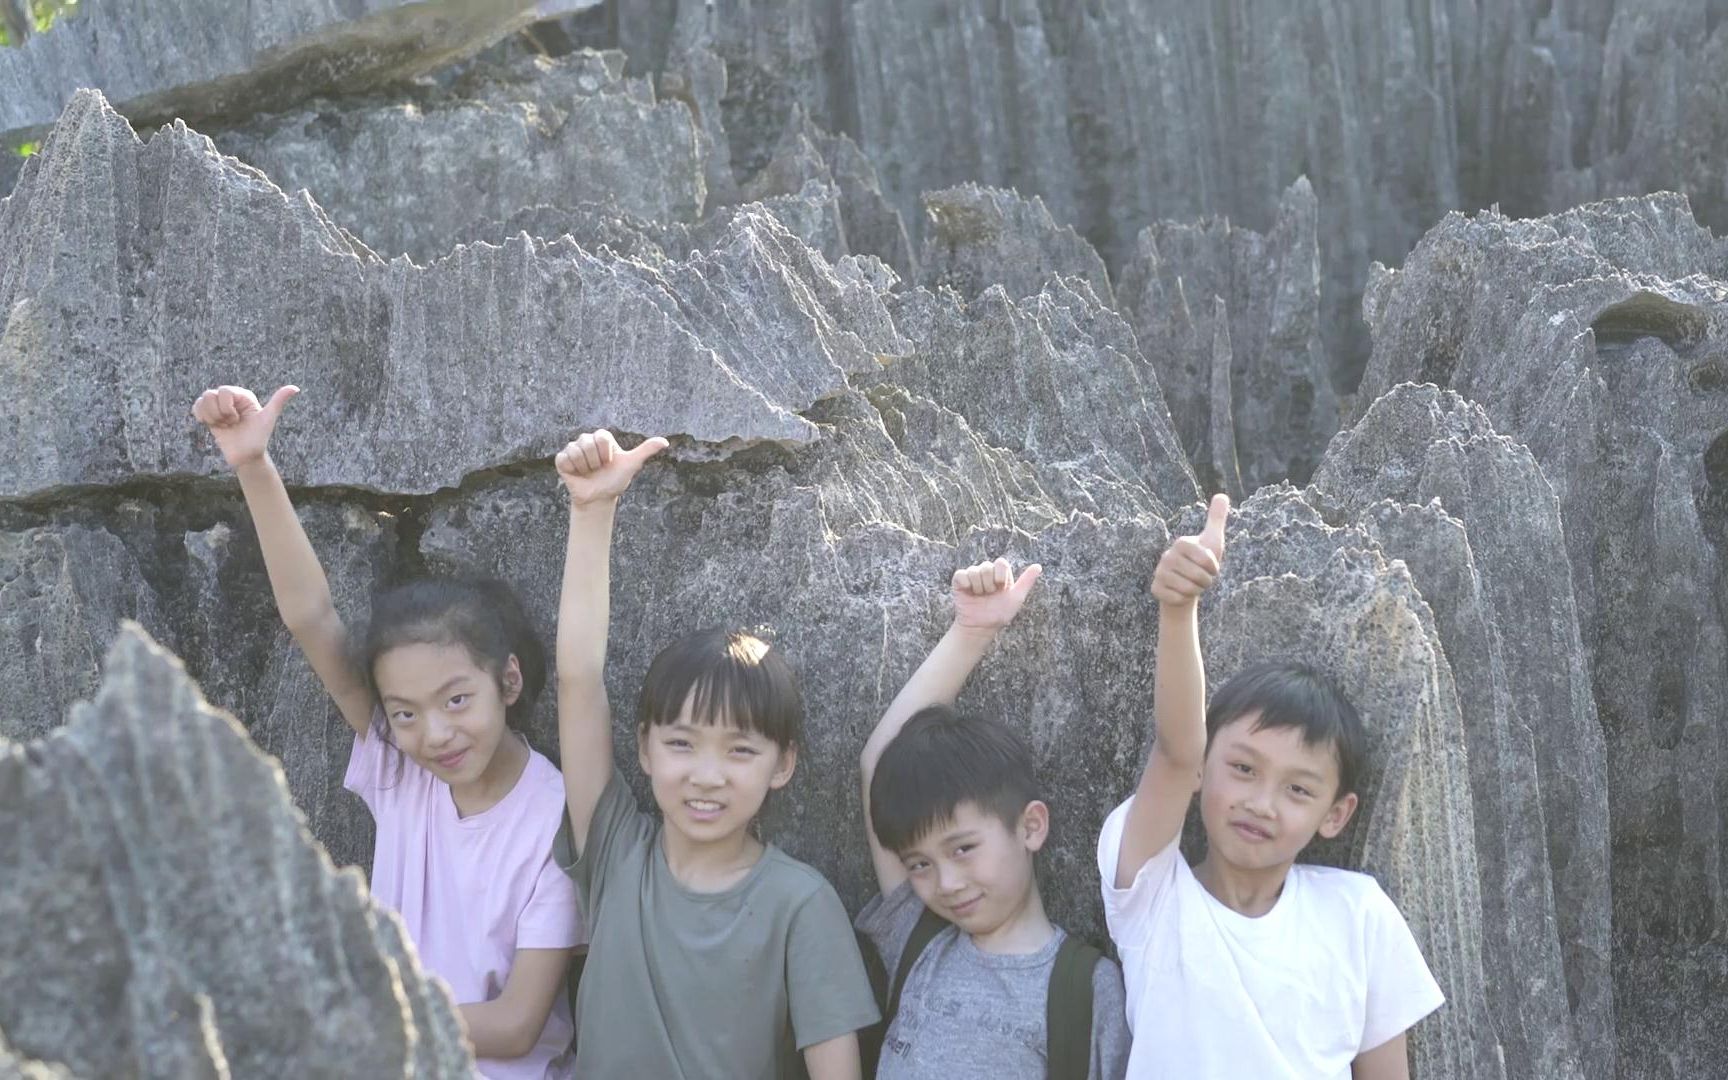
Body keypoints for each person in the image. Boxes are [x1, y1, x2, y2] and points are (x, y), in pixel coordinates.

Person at [194, 385, 581, 1079]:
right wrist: (254, 464)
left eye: (457, 699)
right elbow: (312, 619)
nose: (435, 732)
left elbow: (518, 1026)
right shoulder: (403, 768)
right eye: (404, 712)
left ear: (509, 682)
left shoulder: (555, 818)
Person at [552, 429, 879, 1079]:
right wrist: (592, 514)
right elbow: (579, 681)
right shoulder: (616, 849)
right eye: (680, 743)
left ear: (781, 765)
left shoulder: (801, 903)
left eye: (739, 750)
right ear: (643, 748)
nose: (707, 775)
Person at [1098, 494, 1445, 1079]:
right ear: (1206, 767)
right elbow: (1176, 752)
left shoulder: (1359, 917)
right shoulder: (1153, 895)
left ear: (1336, 814)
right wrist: (1178, 609)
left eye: (1299, 790)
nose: (1261, 803)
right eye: (1243, 769)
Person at [858, 557, 1130, 1080]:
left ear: (1030, 826)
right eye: (919, 864)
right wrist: (971, 630)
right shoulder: (917, 939)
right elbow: (880, 767)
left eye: (963, 849)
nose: (946, 882)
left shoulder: (1084, 989)